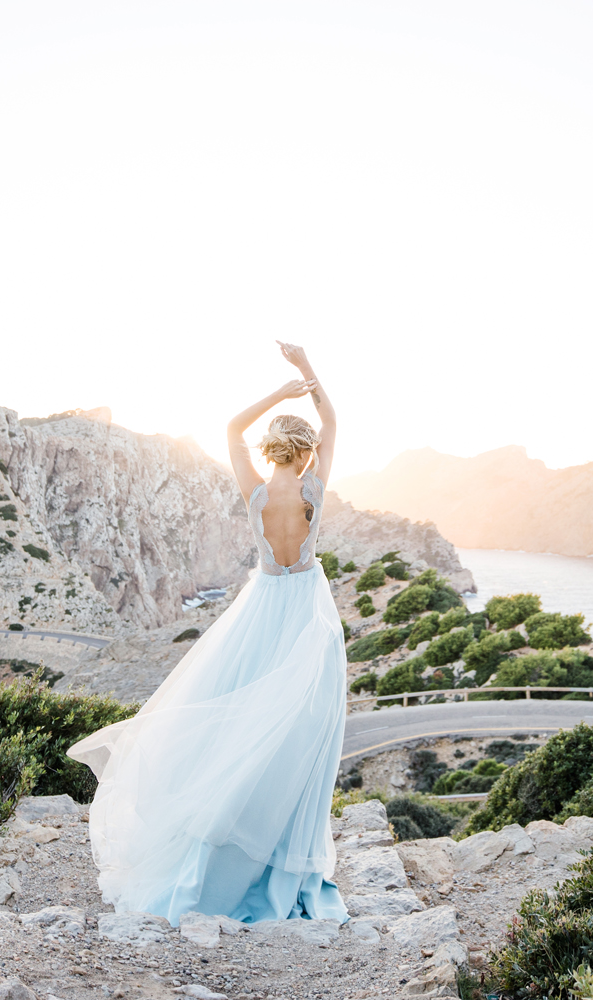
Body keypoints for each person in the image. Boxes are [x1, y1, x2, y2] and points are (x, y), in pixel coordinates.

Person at [68, 341, 348, 925]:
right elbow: (334, 421)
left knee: (241, 728)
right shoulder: (313, 491)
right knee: (301, 729)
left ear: (271, 448)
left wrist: (277, 392)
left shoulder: (255, 492)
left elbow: (231, 428)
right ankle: (285, 856)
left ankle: (227, 849)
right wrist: (305, 371)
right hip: (306, 610)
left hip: (262, 607)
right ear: (306, 451)